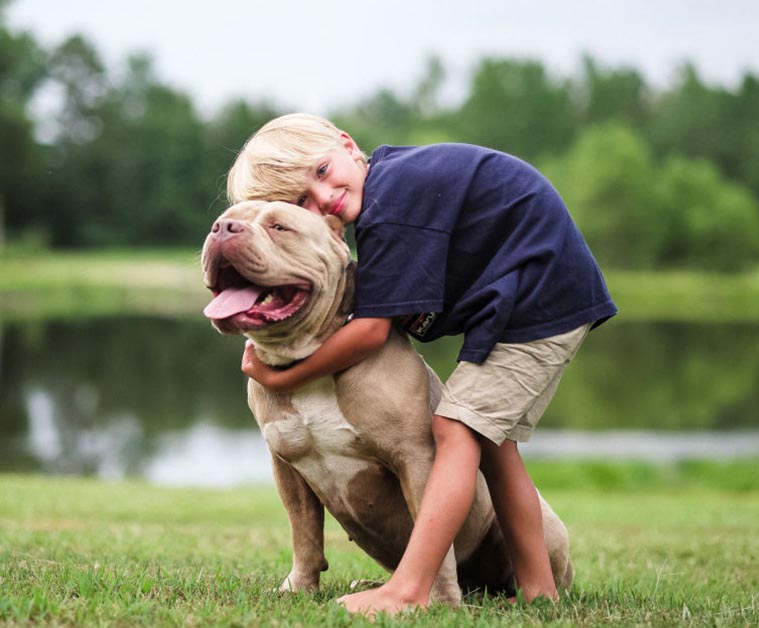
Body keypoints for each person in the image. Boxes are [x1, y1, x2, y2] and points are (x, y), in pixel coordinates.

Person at [227, 113, 617, 615]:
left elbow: (370, 331)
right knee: (493, 446)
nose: (323, 198)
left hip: (542, 298)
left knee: (453, 428)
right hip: (522, 299)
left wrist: (285, 374)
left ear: (348, 145)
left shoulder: (396, 199)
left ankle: (414, 588)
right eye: (301, 201)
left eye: (322, 172)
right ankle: (539, 589)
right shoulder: (387, 198)